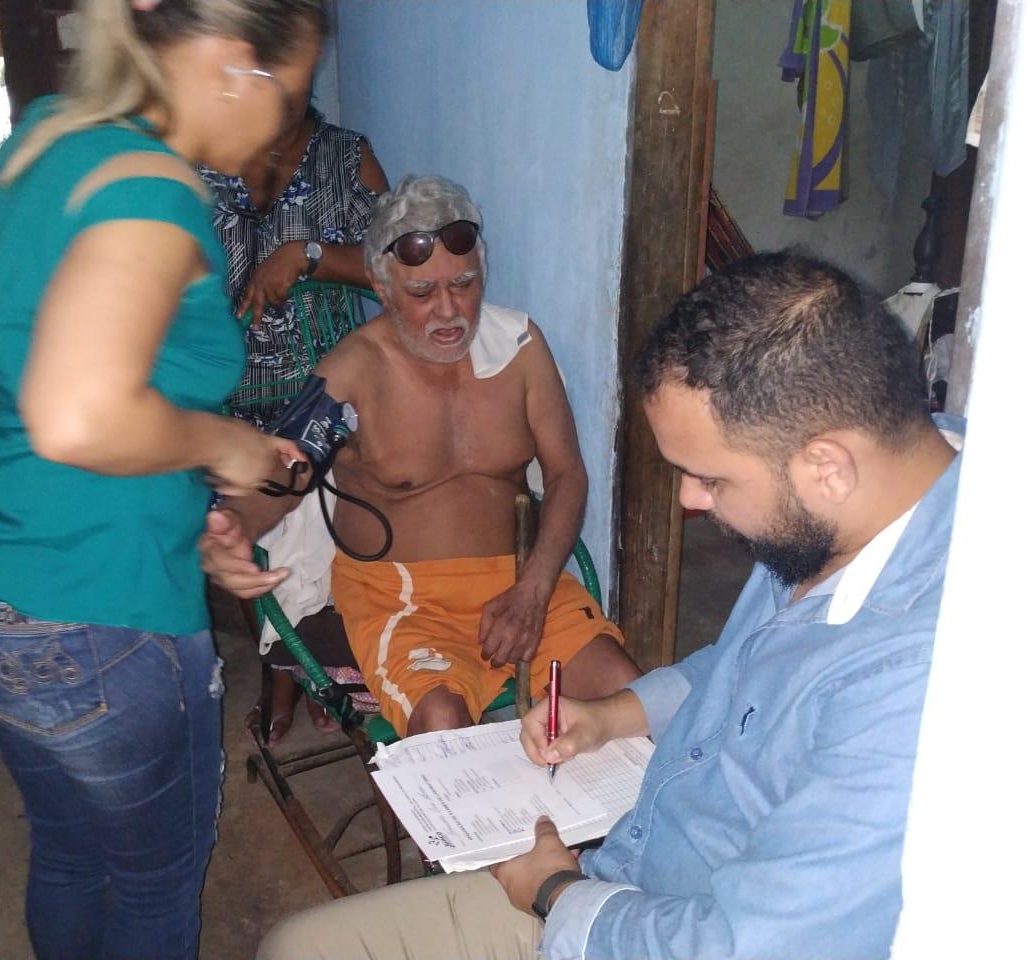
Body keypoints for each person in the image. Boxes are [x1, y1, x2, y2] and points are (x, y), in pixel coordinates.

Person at [254, 251, 962, 960]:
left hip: (650, 928)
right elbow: (740, 665)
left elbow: (744, 947)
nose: (689, 500)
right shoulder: (847, 518)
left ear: (827, 467)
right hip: (631, 874)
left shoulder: (920, 684)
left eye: (710, 479)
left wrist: (554, 892)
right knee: (297, 946)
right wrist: (610, 717)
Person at [0, 2, 325, 959]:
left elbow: (46, 380)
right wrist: (226, 446)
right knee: (153, 880)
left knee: (72, 846)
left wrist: (191, 518)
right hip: (78, 611)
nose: (281, 128)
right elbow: (80, 416)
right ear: (230, 65)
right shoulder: (152, 194)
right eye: (287, 97)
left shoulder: (50, 134)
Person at [203, 174, 641, 740]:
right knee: (441, 726)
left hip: (521, 580)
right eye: (420, 293)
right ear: (383, 292)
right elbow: (289, 470)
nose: (448, 311)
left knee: (629, 699)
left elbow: (566, 476)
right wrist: (235, 527)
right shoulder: (355, 370)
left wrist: (532, 590)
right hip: (403, 600)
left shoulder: (519, 347)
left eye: (464, 283)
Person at [200, 87, 389, 744]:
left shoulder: (346, 158)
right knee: (248, 545)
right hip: (230, 399)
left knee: (325, 547)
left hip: (326, 397)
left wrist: (311, 256)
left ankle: (315, 667)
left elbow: (399, 269)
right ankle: (276, 673)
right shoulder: (207, 161)